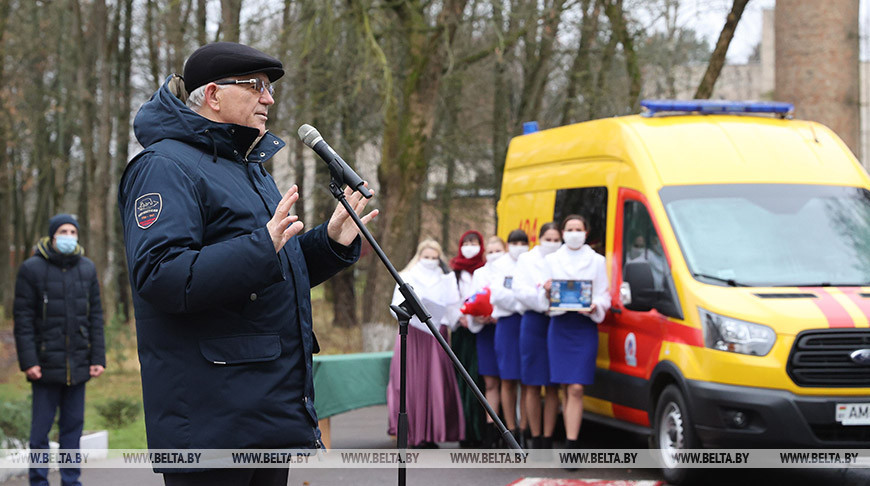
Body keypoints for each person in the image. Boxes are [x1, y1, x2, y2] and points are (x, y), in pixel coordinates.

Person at [117, 42, 376, 486]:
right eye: (256, 86)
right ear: (214, 95)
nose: (269, 98)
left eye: (270, 88)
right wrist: (263, 245)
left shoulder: (249, 169)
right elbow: (162, 275)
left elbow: (269, 274)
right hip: (211, 426)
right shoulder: (164, 167)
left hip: (264, 417)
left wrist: (330, 241)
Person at [13, 214, 105, 486]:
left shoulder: (87, 268)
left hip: (78, 366)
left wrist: (97, 357)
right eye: (63, 231)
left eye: (73, 231)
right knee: (40, 433)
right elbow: (23, 320)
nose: (68, 236)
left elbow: (96, 317)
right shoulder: (31, 269)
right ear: (52, 236)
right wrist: (29, 361)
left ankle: (70, 480)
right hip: (43, 366)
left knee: (72, 431)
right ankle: (38, 481)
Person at [386, 239, 464, 448]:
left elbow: (453, 306)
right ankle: (411, 432)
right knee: (411, 381)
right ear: (418, 257)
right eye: (426, 257)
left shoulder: (446, 278)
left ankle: (431, 432)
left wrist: (449, 318)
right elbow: (396, 305)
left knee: (434, 381)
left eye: (434, 257)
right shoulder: (407, 276)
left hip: (437, 334)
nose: (429, 261)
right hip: (412, 333)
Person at [542, 214, 610, 451]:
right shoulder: (551, 260)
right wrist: (547, 291)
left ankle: (572, 443)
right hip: (560, 326)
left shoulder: (597, 261)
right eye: (569, 229)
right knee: (564, 386)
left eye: (578, 228)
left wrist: (596, 306)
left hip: (583, 327)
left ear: (586, 232)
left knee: (577, 387)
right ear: (562, 232)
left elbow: (604, 294)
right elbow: (541, 296)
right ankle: (567, 435)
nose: (574, 233)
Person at [513, 222, 562, 451]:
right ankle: (534, 435)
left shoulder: (565, 258)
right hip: (533, 321)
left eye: (556, 239)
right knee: (532, 382)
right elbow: (519, 291)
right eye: (548, 239)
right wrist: (542, 292)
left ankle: (548, 437)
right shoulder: (527, 260)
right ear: (540, 239)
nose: (552, 243)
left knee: (553, 385)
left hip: (558, 320)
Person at [489, 229, 530, 447]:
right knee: (508, 378)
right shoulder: (500, 265)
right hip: (506, 325)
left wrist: (522, 298)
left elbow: (535, 292)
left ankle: (524, 428)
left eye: (523, 242)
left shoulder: (532, 263)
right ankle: (510, 429)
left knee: (526, 380)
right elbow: (498, 295)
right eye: (515, 242)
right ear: (508, 245)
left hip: (527, 324)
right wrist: (522, 300)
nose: (519, 246)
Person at [448, 230, 487, 447]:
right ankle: (465, 432)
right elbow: (450, 301)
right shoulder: (454, 273)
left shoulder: (485, 270)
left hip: (482, 330)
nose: (470, 246)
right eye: (466, 242)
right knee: (464, 380)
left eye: (474, 242)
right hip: (462, 332)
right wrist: (460, 316)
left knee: (482, 380)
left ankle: (483, 430)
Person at [468, 236, 506, 447]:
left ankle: (511, 427)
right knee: (491, 382)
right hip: (486, 331)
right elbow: (472, 299)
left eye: (497, 250)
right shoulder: (479, 274)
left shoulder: (512, 269)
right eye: (490, 252)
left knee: (509, 381)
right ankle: (491, 429)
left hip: (507, 329)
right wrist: (477, 314)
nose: (494, 255)